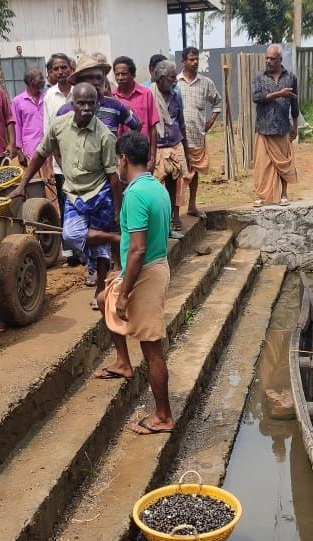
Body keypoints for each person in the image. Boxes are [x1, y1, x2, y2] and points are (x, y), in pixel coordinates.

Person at [11, 82, 120, 308]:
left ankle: (100, 290)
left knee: (98, 249)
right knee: (70, 236)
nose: (87, 108)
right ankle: (112, 240)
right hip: (73, 195)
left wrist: (117, 210)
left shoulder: (105, 136)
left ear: (97, 104)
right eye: (81, 103)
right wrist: (23, 183)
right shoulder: (59, 126)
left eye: (91, 103)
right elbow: (41, 154)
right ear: (73, 104)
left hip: (100, 194)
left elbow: (113, 176)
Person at [94, 132, 174, 435]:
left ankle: (164, 416)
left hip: (146, 274)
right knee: (104, 299)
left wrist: (126, 291)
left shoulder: (135, 194)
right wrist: (122, 274)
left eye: (117, 159)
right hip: (148, 267)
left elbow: (138, 248)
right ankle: (123, 363)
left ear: (123, 159)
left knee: (152, 349)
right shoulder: (156, 187)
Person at [56, 54, 141, 286]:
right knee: (81, 230)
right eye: (89, 77)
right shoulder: (65, 112)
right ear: (79, 83)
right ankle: (94, 268)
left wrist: (124, 152)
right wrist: (67, 165)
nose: (95, 81)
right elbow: (55, 142)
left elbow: (137, 125)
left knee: (112, 222)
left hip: (111, 178)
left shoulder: (115, 107)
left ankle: (116, 267)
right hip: (81, 182)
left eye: (99, 76)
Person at [176, 46, 222, 220]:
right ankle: (174, 213)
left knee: (194, 172)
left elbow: (217, 102)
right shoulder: (175, 82)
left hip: (197, 135)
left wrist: (210, 122)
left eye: (197, 59)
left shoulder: (206, 83)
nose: (195, 62)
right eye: (191, 59)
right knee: (178, 173)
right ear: (183, 61)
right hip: (178, 137)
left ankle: (192, 205)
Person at [251, 45, 299, 207]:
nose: (269, 61)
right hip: (264, 128)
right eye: (267, 58)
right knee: (262, 164)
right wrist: (279, 94)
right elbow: (256, 97)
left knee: (284, 162)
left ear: (280, 60)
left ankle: (284, 195)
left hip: (283, 127)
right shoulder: (259, 77)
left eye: (272, 59)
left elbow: (295, 103)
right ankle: (260, 196)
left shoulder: (291, 77)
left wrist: (295, 126)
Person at [150, 60, 189, 240]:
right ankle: (159, 222)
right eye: (171, 78)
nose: (174, 81)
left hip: (173, 142)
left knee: (174, 183)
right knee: (157, 187)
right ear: (161, 78)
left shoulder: (176, 94)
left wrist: (186, 151)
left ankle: (174, 217)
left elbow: (181, 122)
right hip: (156, 146)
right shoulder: (149, 94)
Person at [112, 56, 159, 169]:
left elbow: (153, 128)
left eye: (124, 74)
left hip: (142, 156)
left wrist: (152, 157)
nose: (120, 78)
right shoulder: (112, 98)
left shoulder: (146, 94)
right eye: (117, 74)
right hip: (121, 157)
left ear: (133, 75)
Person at [44, 53, 74, 216]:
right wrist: (49, 166)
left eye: (64, 67)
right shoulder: (49, 96)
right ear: (52, 72)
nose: (60, 71)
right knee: (65, 205)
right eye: (56, 69)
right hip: (60, 164)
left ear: (71, 68)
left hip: (83, 160)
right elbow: (48, 132)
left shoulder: (80, 91)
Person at [12, 67, 46, 165]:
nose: (43, 80)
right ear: (31, 81)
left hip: (48, 147)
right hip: (30, 149)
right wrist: (19, 151)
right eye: (40, 78)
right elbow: (17, 126)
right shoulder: (18, 101)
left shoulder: (47, 98)